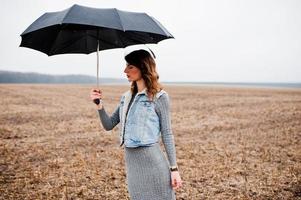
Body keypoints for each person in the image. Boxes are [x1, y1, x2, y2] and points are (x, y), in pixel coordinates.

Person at [90, 48, 182, 200]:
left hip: (154, 165)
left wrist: (174, 169)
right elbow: (108, 125)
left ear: (143, 67)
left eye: (130, 66)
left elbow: (167, 133)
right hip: (133, 169)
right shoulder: (126, 97)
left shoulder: (159, 97)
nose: (125, 70)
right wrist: (99, 104)